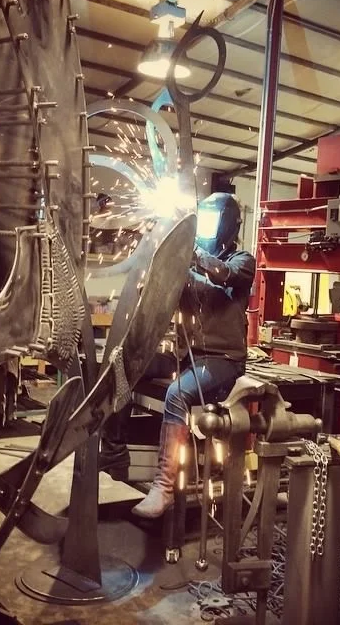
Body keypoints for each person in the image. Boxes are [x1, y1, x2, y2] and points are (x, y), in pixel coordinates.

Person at [101, 192, 255, 519]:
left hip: (224, 360)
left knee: (177, 393)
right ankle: (114, 452)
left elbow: (224, 274)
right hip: (188, 357)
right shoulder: (190, 262)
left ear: (228, 224)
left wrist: (191, 252)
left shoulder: (242, 261)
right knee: (124, 365)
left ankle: (164, 487)